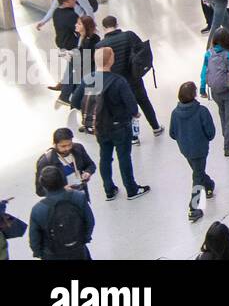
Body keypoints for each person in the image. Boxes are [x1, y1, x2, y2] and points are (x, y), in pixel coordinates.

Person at [92, 46, 150, 200]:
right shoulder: (118, 81)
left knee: (105, 157)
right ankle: (131, 189)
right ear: (110, 60)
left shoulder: (90, 79)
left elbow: (78, 100)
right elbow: (131, 105)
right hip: (119, 126)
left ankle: (109, 189)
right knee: (124, 157)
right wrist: (135, 113)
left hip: (100, 126)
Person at [169, 81, 217, 223]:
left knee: (198, 172)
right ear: (194, 94)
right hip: (200, 149)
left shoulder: (175, 113)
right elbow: (210, 132)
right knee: (197, 175)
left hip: (185, 149)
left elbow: (172, 133)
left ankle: (209, 185)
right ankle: (194, 207)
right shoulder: (202, 111)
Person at [29, 165, 94, 260]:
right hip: (78, 249)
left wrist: (39, 253)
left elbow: (34, 239)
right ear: (63, 180)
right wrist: (84, 239)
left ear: (43, 185)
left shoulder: (38, 210)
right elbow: (90, 221)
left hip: (52, 254)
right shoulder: (79, 197)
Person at [201, 28, 229, 157]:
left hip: (215, 91)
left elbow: (204, 72)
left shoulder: (208, 54)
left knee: (222, 112)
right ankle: (228, 146)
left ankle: (226, 134)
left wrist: (202, 88)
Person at [34, 128, 95, 197]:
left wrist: (88, 172)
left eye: (70, 144)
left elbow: (91, 164)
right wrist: (61, 190)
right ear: (54, 144)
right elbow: (40, 190)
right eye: (63, 146)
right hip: (62, 200)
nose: (67, 148)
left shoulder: (78, 148)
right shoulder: (46, 162)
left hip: (81, 194)